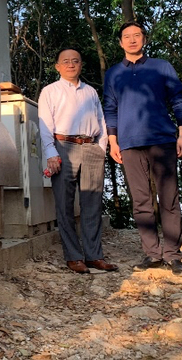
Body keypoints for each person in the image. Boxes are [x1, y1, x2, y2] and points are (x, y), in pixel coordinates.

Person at [103, 21, 182, 277]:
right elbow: (110, 108)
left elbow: (178, 100)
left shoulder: (161, 66)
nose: (132, 40)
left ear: (144, 38)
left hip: (162, 140)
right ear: (120, 42)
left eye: (137, 35)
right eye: (127, 36)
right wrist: (113, 141)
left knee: (169, 199)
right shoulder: (114, 73)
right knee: (141, 201)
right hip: (129, 144)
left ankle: (173, 255)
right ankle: (152, 253)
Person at [38, 47, 118, 274]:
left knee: (92, 203)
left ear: (81, 65)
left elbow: (101, 120)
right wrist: (51, 152)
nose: (71, 64)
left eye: (75, 60)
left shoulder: (90, 92)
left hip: (91, 147)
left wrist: (101, 147)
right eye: (66, 61)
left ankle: (94, 255)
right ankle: (73, 256)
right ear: (57, 66)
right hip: (63, 147)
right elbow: (45, 124)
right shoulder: (49, 91)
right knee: (64, 204)